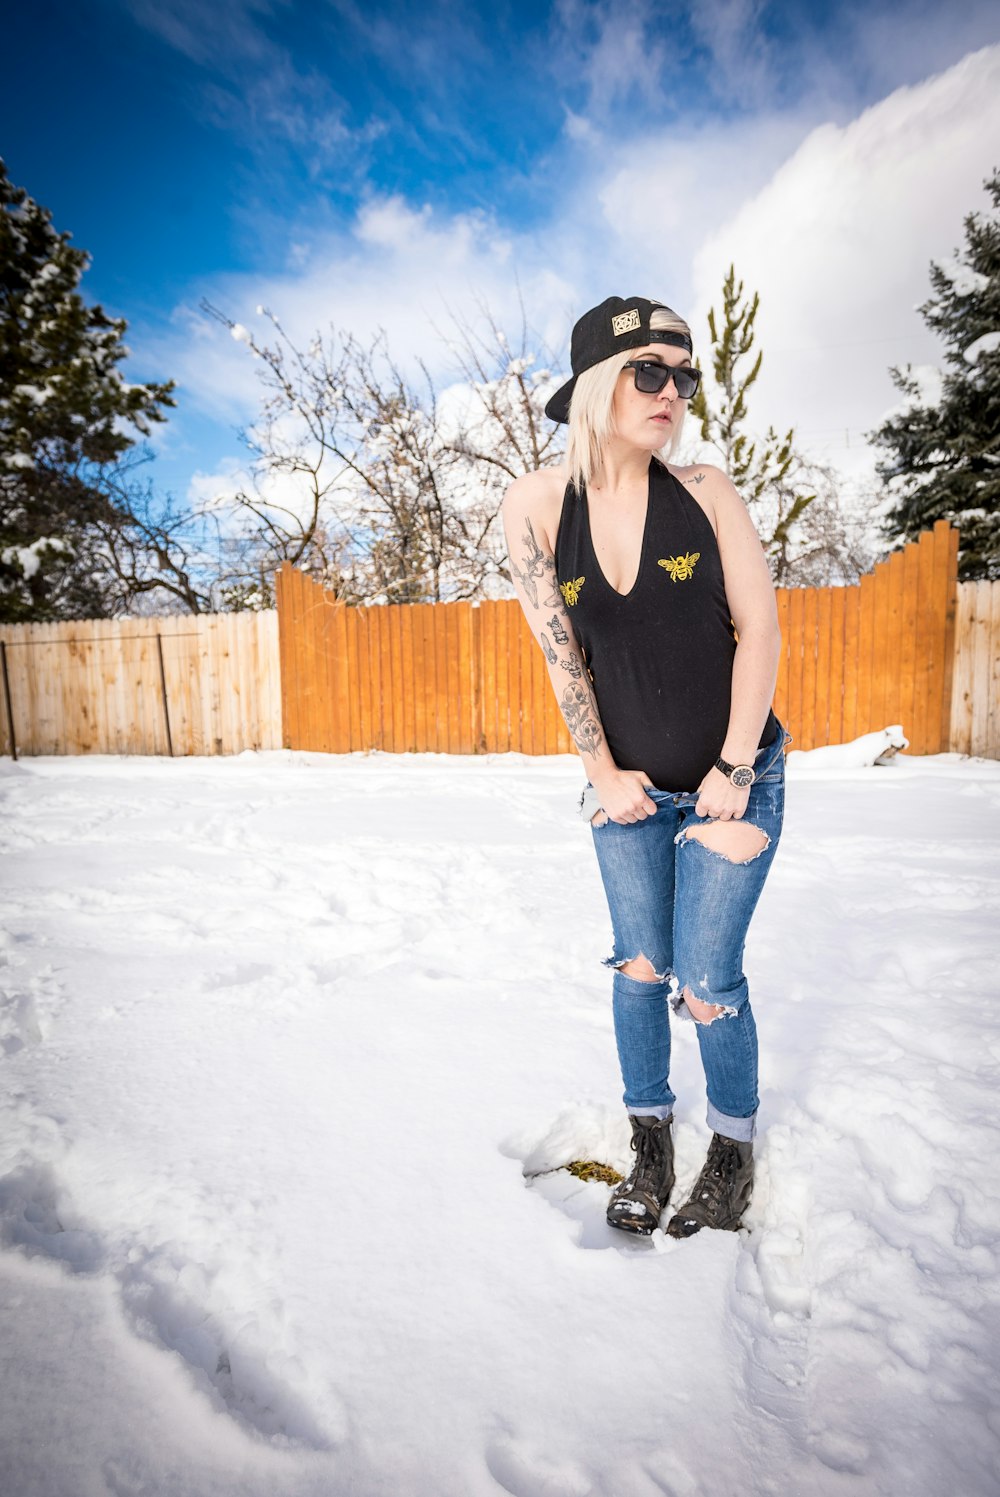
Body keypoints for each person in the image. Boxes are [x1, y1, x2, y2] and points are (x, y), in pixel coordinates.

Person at [502, 295, 788, 1239]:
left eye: (684, 375)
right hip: (626, 786)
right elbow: (559, 654)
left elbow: (760, 632)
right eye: (649, 371)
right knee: (639, 968)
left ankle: (734, 1151)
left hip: (732, 778)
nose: (672, 391)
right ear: (596, 386)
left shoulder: (706, 494)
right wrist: (603, 768)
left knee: (706, 980)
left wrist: (736, 767)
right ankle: (652, 1143)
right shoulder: (537, 506)